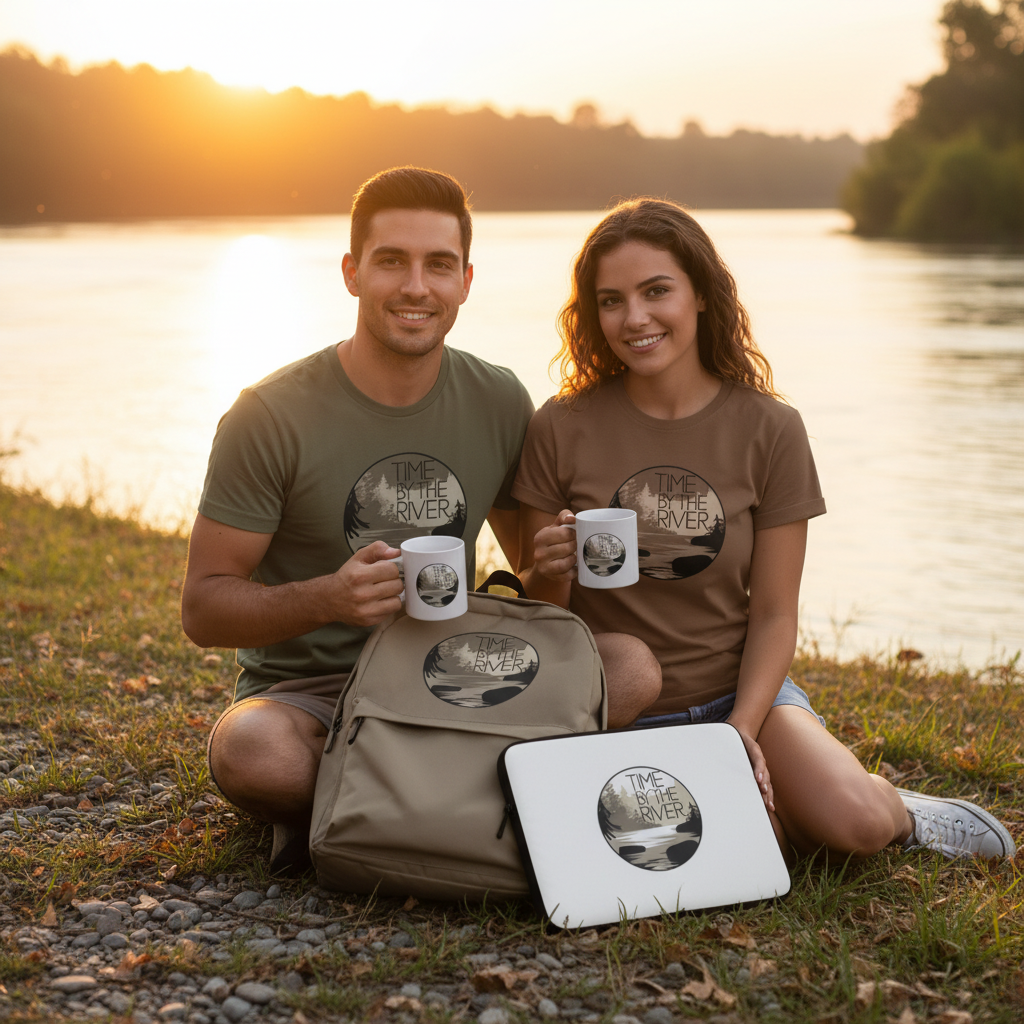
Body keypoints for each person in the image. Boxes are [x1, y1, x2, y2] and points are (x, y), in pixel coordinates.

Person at [181, 168, 658, 874]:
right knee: (254, 754)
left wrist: (547, 566)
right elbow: (204, 608)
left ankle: (373, 810)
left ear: (465, 280)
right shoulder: (269, 415)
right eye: (391, 262)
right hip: (312, 697)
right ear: (352, 273)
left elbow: (536, 596)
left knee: (631, 669)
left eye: (438, 265)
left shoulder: (497, 398)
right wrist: (327, 598)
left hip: (455, 679)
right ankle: (475, 804)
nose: (416, 287)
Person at [513, 197, 1015, 864]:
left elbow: (776, 614)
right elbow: (545, 625)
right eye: (611, 300)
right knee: (737, 848)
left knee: (856, 825)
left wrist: (740, 731)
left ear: (699, 295)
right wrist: (548, 569)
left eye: (656, 290)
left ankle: (905, 810)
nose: (634, 318)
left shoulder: (770, 429)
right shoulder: (560, 425)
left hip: (740, 692)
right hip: (616, 702)